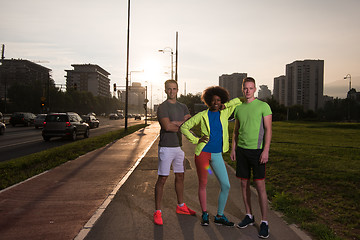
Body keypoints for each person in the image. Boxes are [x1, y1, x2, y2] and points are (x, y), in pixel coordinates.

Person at [180, 86, 242, 227]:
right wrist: (196, 140)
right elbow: (184, 127)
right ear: (208, 101)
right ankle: (205, 214)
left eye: (218, 100)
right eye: (213, 100)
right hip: (203, 154)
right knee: (203, 184)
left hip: (217, 154)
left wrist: (227, 105)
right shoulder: (202, 115)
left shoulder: (225, 112)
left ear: (222, 101)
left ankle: (219, 215)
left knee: (226, 185)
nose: (216, 102)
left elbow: (238, 101)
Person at [230, 77, 272, 239]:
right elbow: (236, 131)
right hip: (242, 151)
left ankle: (265, 222)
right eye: (245, 88)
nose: (248, 91)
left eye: (251, 88)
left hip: (257, 151)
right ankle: (249, 215)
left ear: (255, 89)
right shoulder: (239, 108)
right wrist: (234, 149)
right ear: (243, 89)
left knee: (260, 186)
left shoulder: (263, 106)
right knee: (243, 183)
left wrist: (265, 150)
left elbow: (268, 130)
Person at [154, 79, 196, 226]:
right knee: (163, 179)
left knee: (180, 176)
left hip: (178, 147)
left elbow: (189, 124)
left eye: (174, 89)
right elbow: (167, 127)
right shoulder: (162, 107)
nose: (172, 91)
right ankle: (157, 212)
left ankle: (181, 206)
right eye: (169, 89)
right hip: (165, 147)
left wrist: (176, 123)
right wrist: (181, 124)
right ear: (165, 90)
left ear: (178, 90)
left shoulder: (183, 106)